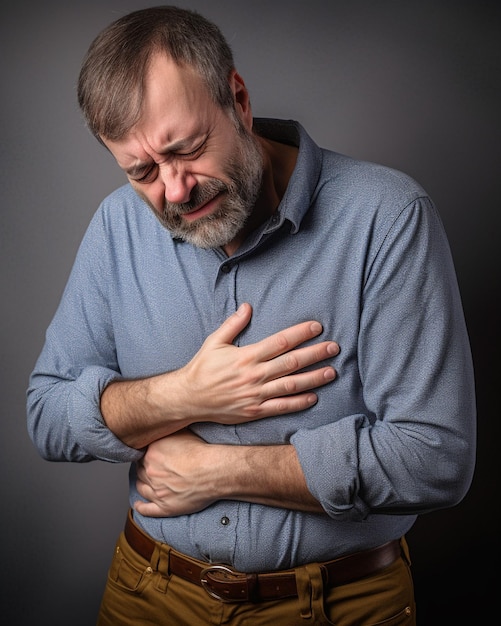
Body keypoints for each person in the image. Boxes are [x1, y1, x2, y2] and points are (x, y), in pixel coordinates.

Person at [27, 5, 476, 625]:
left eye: (187, 150)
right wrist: (181, 396)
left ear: (236, 99)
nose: (175, 191)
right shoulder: (116, 227)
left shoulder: (387, 218)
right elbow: (45, 415)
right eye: (142, 172)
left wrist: (217, 472)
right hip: (148, 593)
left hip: (336, 605)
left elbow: (435, 459)